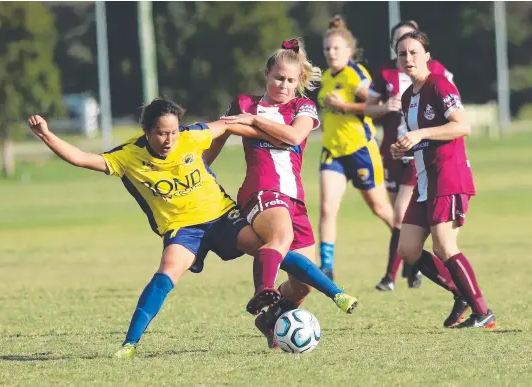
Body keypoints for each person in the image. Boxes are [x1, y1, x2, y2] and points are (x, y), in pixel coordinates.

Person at [27, 98, 358, 359]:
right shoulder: (128, 155)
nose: (170, 139)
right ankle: (129, 344)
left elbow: (227, 126)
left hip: (220, 215)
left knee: (271, 248)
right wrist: (46, 135)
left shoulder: (190, 136)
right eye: (161, 133)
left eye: (173, 132)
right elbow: (83, 158)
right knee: (167, 272)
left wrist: (267, 130)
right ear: (146, 131)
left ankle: (337, 294)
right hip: (182, 228)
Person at [205, 37, 358, 348]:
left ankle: (268, 321)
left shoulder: (303, 107)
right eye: (278, 78)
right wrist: (201, 166)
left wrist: (253, 121)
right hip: (260, 190)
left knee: (302, 286)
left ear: (299, 82)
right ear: (266, 74)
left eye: (291, 80)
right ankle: (262, 291)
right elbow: (219, 135)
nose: (284, 85)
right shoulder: (243, 103)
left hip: (294, 199)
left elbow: (292, 137)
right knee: (279, 239)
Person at [391, 30, 496, 328]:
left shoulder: (439, 84)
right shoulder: (408, 95)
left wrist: (420, 134)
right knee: (408, 250)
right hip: (424, 180)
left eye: (413, 52)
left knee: (444, 246)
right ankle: (460, 292)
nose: (408, 58)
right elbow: (422, 138)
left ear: (427, 55)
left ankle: (482, 312)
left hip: (448, 176)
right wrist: (405, 149)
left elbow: (462, 126)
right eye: (402, 54)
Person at [366, 20, 454, 291]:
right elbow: (369, 110)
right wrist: (384, 108)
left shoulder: (436, 74)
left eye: (411, 46)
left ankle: (391, 276)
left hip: (421, 156)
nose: (406, 53)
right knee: (398, 217)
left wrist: (422, 136)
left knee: (400, 215)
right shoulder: (385, 74)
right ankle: (410, 265)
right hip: (394, 151)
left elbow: (454, 112)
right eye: (400, 47)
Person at [316, 16, 394, 280]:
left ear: (349, 51)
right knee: (327, 208)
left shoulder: (356, 76)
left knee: (381, 209)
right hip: (332, 151)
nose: (331, 53)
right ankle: (326, 267)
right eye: (327, 48)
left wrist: (345, 107)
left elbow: (379, 106)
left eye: (336, 48)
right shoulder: (326, 77)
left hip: (360, 149)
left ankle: (410, 252)